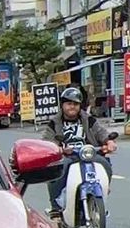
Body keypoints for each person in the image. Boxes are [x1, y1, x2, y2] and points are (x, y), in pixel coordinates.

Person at [42, 87, 119, 218]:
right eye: (69, 103)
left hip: (89, 154)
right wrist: (57, 149)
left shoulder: (88, 119)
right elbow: (47, 141)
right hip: (67, 156)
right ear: (63, 105)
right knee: (56, 171)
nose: (72, 107)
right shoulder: (54, 122)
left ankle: (104, 189)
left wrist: (109, 142)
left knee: (105, 164)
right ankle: (55, 207)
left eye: (76, 104)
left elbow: (100, 132)